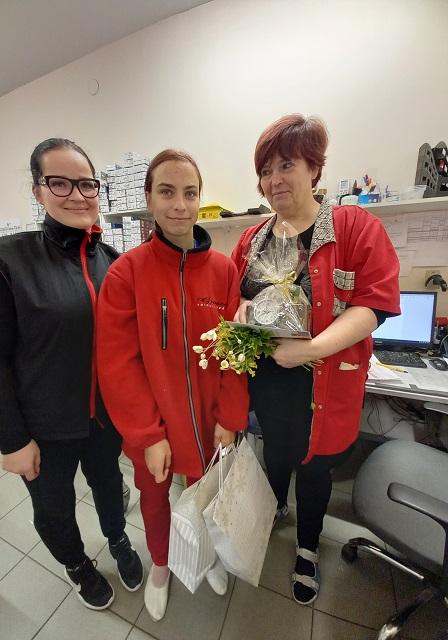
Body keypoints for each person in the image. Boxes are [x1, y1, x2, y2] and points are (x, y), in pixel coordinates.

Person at [231, 114, 400, 605]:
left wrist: (308, 350)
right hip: (270, 386)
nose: (274, 180)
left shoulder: (352, 228)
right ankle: (274, 510)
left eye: (286, 165)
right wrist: (240, 312)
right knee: (276, 455)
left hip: (323, 388)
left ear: (314, 168)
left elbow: (373, 305)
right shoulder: (254, 239)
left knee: (315, 469)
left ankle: (307, 547)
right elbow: (237, 296)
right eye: (266, 171)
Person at [0, 138, 143, 611]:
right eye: (60, 183)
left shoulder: (113, 263)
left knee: (109, 484)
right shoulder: (5, 264)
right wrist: (12, 441)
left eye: (86, 184)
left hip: (103, 419)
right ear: (38, 190)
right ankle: (77, 564)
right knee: (54, 507)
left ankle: (118, 539)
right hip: (43, 429)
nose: (77, 195)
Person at [97, 149, 249, 621]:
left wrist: (230, 417)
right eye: (167, 192)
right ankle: (161, 566)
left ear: (200, 198)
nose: (179, 205)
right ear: (149, 198)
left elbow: (236, 354)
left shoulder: (224, 271)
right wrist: (147, 435)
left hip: (209, 418)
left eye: (189, 193)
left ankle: (207, 556)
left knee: (207, 493)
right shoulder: (126, 273)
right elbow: (118, 364)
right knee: (155, 497)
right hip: (154, 424)